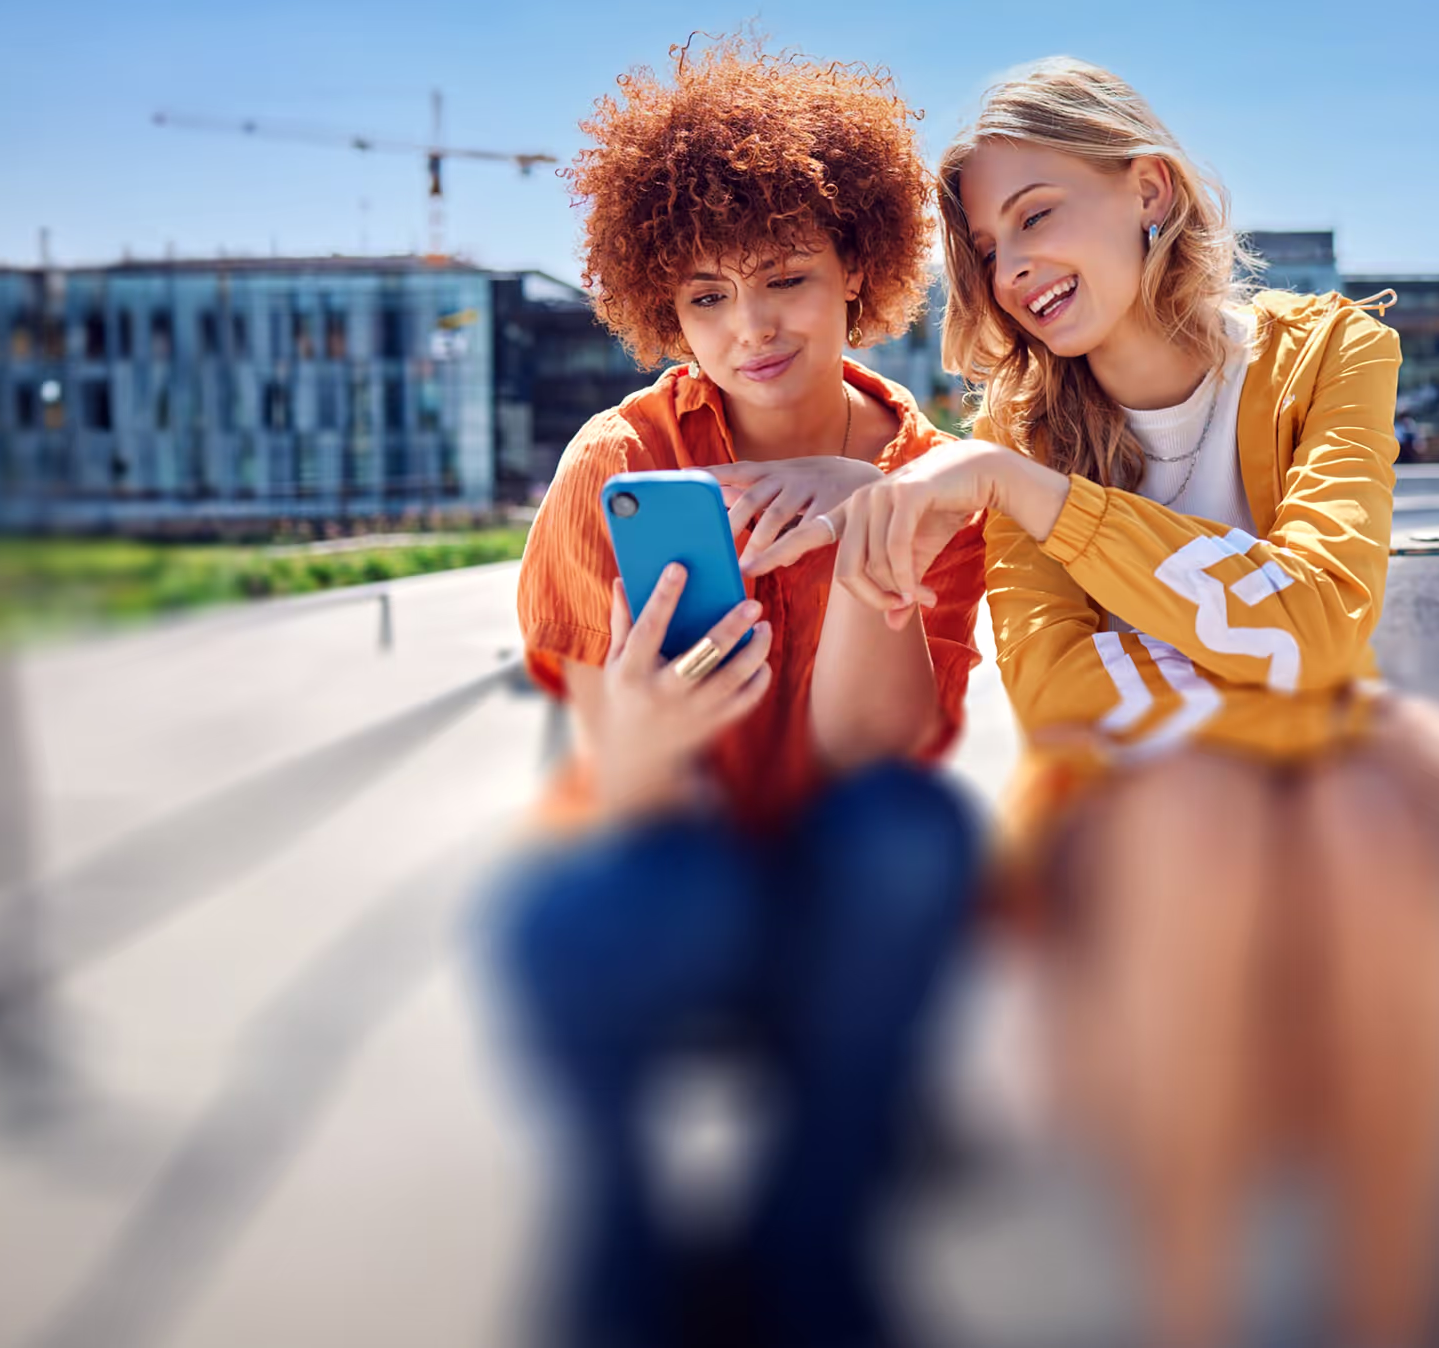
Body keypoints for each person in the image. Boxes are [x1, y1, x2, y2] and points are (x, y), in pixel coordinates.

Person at [748, 57, 1439, 1348]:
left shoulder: (1327, 358)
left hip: (1317, 785)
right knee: (1205, 814)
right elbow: (1063, 693)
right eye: (987, 244)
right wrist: (1363, 709)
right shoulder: (1014, 431)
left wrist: (1052, 512)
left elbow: (1320, 622)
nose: (1013, 265)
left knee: (1371, 832)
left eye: (1037, 213)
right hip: (1127, 806)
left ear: (1148, 190)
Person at [483, 34, 986, 1348]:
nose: (750, 328)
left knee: (912, 840)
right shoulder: (619, 465)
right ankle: (625, 1251)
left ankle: (808, 1243)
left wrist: (872, 526)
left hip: (840, 880)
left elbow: (873, 755)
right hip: (671, 867)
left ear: (859, 271)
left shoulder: (930, 482)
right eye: (705, 298)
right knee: (574, 911)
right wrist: (655, 728)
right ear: (664, 307)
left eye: (785, 281)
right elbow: (618, 787)